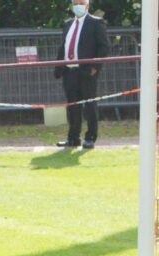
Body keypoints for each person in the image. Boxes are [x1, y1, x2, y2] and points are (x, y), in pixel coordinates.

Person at [54, 0, 110, 149]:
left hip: (86, 71)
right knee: (72, 106)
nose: (78, 5)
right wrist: (58, 68)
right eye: (75, 3)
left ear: (87, 5)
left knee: (89, 105)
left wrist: (94, 68)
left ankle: (90, 137)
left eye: (81, 2)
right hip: (69, 71)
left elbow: (104, 47)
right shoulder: (67, 24)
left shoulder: (96, 23)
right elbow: (64, 47)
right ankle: (73, 138)